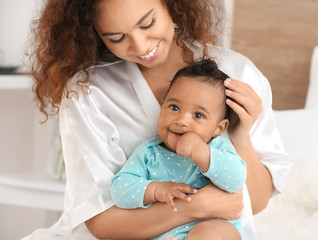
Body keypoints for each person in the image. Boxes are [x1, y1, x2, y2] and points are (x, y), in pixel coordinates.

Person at [23, 0, 292, 239]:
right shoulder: (88, 91)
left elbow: (250, 203)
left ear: (171, 4)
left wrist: (241, 136)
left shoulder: (238, 75)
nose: (141, 46)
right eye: (116, 38)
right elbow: (100, 222)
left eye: (147, 23)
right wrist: (199, 205)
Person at [111, 59, 246, 240]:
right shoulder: (149, 152)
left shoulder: (217, 148)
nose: (182, 120)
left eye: (198, 115)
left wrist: (200, 151)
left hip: (213, 227)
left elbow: (236, 179)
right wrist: (155, 190)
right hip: (163, 231)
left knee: (209, 234)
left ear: (219, 128)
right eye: (174, 107)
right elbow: (120, 189)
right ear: (162, 105)